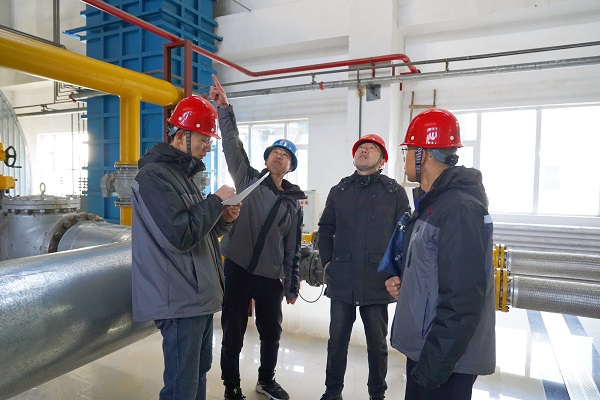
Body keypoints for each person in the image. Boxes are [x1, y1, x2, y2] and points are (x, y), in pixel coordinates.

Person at [131, 95, 241, 400]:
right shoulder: (154, 176)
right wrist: (215, 201)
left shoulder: (184, 176)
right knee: (182, 385)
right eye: (204, 140)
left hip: (197, 295)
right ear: (182, 136)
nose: (208, 148)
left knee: (197, 374)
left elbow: (199, 232)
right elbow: (179, 235)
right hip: (179, 297)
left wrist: (223, 218)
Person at [384, 108, 496, 400]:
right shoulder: (433, 204)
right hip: (429, 350)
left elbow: (463, 298)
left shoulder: (458, 209)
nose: (405, 159)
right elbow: (433, 271)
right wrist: (409, 287)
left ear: (423, 155)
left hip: (445, 361)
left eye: (408, 150)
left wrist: (432, 368)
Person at [209, 74, 305, 400]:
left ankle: (266, 380)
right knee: (233, 332)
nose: (279, 156)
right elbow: (232, 144)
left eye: (285, 155)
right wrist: (224, 110)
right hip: (237, 268)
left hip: (269, 277)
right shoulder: (248, 178)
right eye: (274, 152)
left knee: (271, 333)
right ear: (266, 160)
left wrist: (291, 283)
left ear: (290, 166)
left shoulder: (292, 203)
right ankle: (231, 385)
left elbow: (292, 247)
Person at [317, 134, 410, 400]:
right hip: (342, 277)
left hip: (377, 279)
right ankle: (332, 391)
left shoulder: (394, 192)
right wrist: (327, 261)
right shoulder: (340, 191)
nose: (364, 150)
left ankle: (377, 394)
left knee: (377, 345)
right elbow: (325, 228)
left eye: (371, 148)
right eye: (360, 148)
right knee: (337, 342)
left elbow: (404, 235)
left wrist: (397, 271)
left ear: (382, 161)